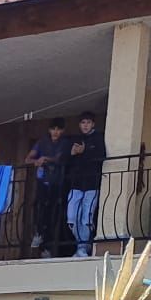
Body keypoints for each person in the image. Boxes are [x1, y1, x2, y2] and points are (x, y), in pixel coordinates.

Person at [25, 116, 70, 255]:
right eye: (53, 129)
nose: (55, 132)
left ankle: (48, 247)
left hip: (57, 183)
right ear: (49, 130)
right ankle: (39, 236)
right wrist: (36, 161)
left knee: (53, 214)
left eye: (58, 129)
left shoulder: (65, 143)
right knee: (40, 210)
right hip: (42, 181)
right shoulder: (42, 142)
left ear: (62, 131)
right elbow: (27, 159)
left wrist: (45, 159)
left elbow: (60, 158)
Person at [65, 111, 106, 258]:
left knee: (86, 217)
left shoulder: (98, 138)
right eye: (83, 123)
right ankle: (82, 244)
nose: (85, 125)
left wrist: (85, 150)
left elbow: (101, 156)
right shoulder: (75, 139)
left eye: (88, 122)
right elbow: (66, 160)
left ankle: (82, 247)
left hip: (92, 184)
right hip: (76, 184)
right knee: (71, 217)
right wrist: (72, 153)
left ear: (93, 124)